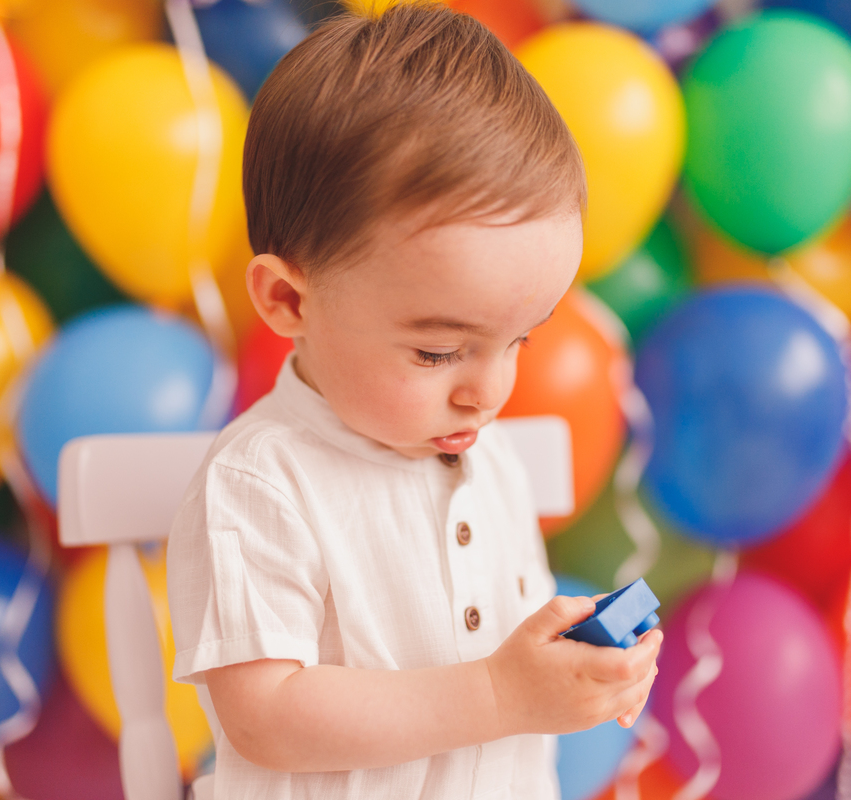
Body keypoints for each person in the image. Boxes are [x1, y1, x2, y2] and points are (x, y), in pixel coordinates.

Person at [167, 5, 662, 798]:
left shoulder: (486, 459)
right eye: (438, 351)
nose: (490, 391)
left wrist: (577, 668)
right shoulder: (262, 482)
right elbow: (265, 713)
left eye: (521, 340)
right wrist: (500, 693)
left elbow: (512, 659)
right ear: (290, 303)